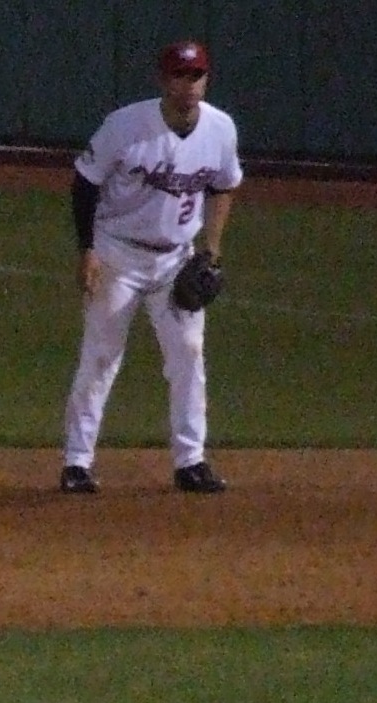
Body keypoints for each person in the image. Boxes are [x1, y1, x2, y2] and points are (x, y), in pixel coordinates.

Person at [60, 40, 243, 494]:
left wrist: (211, 250)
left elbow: (225, 185)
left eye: (196, 75)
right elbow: (85, 183)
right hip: (117, 253)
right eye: (180, 75)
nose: (189, 84)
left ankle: (191, 461)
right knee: (101, 356)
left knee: (188, 355)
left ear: (207, 80)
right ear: (164, 80)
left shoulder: (220, 128)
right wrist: (87, 250)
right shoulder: (124, 126)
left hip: (175, 259)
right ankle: (77, 462)